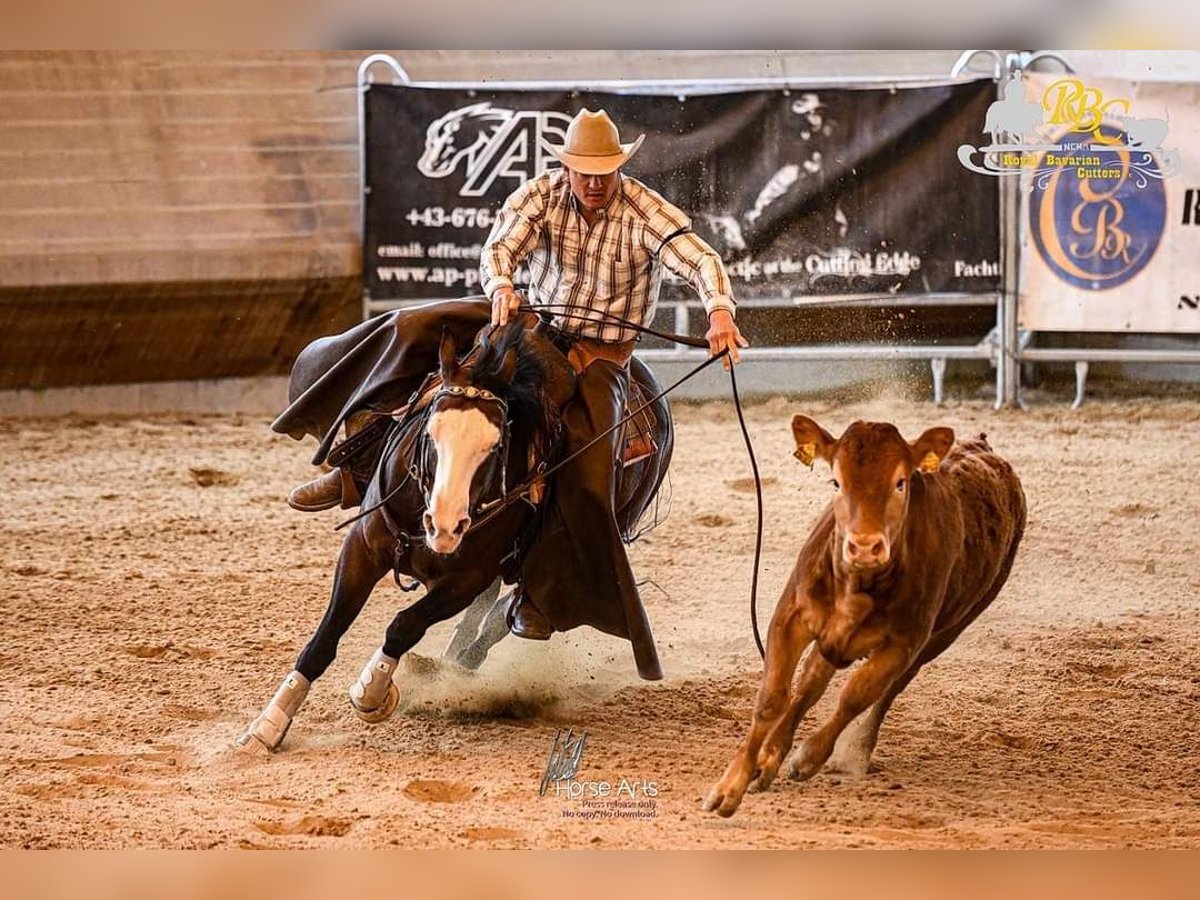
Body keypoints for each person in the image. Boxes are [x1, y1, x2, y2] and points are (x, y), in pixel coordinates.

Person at [284, 108, 747, 680]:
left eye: (605, 171)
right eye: (584, 170)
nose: (595, 182)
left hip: (601, 356)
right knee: (413, 333)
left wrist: (719, 309)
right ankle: (356, 468)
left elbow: (698, 257)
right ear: (567, 166)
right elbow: (501, 247)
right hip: (529, 324)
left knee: (586, 463)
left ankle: (540, 588)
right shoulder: (542, 195)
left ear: (620, 168)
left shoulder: (644, 211)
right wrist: (502, 284)